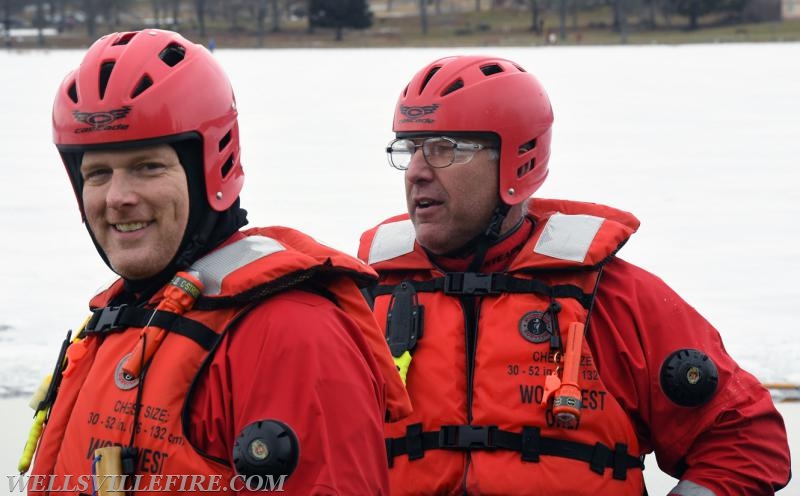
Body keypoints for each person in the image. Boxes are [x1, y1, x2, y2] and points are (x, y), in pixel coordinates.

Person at [357, 55, 791, 495]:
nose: (415, 172)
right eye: (409, 149)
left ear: (515, 162)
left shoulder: (615, 299)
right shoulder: (362, 306)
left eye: (444, 148)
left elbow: (745, 441)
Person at [20, 29, 410, 495]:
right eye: (98, 173)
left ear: (212, 169)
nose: (118, 198)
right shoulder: (116, 325)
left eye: (148, 167)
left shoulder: (291, 334)